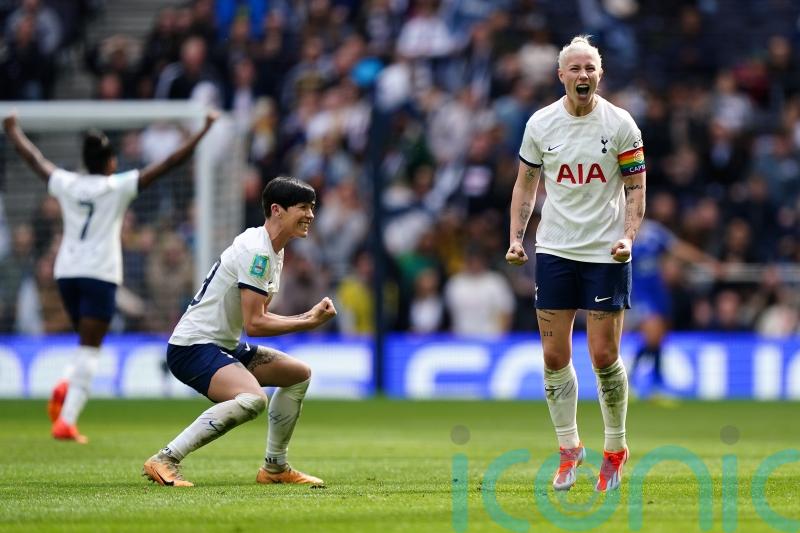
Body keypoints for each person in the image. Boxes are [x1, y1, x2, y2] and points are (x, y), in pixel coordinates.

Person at [3, 110, 218, 443]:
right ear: (109, 163)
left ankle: (67, 383)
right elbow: (169, 163)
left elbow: (35, 159)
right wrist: (202, 132)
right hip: (99, 273)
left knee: (84, 342)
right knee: (91, 349)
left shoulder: (67, 182)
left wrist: (13, 130)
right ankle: (66, 421)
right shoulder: (117, 186)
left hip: (66, 273)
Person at [505, 35, 646, 492]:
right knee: (553, 356)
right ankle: (569, 449)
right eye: (575, 68)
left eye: (590, 68)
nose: (583, 75)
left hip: (605, 252)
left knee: (603, 356)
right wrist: (516, 238)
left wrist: (628, 236)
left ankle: (615, 448)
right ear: (561, 75)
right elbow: (525, 185)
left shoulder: (621, 123)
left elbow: (636, 188)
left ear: (599, 74)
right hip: (555, 249)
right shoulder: (541, 124)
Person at [142, 177, 336, 488]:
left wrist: (306, 318)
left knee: (298, 374)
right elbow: (255, 324)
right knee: (252, 399)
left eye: (312, 207)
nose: (310, 215)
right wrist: (308, 321)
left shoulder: (273, 250)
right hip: (193, 346)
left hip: (222, 345)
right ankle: (165, 459)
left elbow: (258, 315)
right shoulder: (257, 252)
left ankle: (275, 468)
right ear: (277, 210)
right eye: (303, 207)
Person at [630, 218, 719, 399]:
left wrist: (706, 261)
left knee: (658, 338)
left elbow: (678, 248)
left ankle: (652, 385)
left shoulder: (653, 231)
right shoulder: (619, 233)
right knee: (653, 334)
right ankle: (637, 382)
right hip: (639, 292)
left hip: (658, 290)